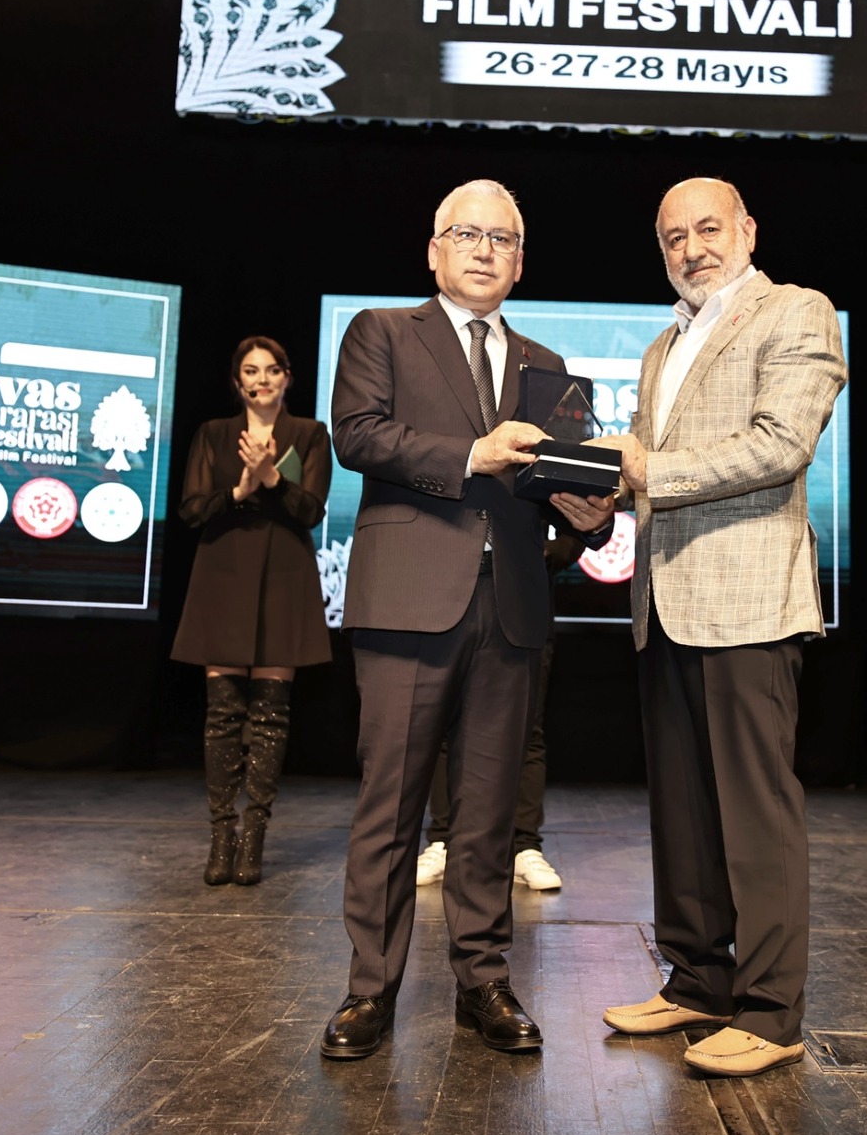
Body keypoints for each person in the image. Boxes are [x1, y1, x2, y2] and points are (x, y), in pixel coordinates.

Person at [320, 178, 614, 1061]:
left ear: (521, 262)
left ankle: (483, 979)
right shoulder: (381, 331)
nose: (486, 250)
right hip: (408, 596)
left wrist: (590, 511)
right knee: (391, 803)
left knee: (488, 810)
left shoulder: (546, 365)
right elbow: (357, 434)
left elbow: (558, 486)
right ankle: (369, 989)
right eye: (468, 234)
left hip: (513, 603)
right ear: (434, 249)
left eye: (503, 239)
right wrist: (472, 454)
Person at [561, 177, 846, 1079]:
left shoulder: (796, 311)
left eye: (708, 228)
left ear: (748, 230)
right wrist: (595, 491)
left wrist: (647, 469)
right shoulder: (662, 344)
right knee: (683, 810)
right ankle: (696, 980)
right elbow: (643, 467)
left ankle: (770, 1011)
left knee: (756, 814)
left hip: (750, 599)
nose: (692, 248)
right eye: (673, 237)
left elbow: (781, 444)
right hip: (667, 600)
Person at [171, 336, 333, 887]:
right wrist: (240, 490)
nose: (261, 380)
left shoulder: (309, 434)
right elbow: (193, 508)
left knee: (269, 715)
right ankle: (222, 835)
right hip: (223, 573)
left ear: (287, 377)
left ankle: (254, 837)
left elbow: (311, 510)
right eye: (250, 371)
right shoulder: (214, 434)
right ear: (237, 381)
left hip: (284, 575)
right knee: (222, 716)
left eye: (271, 370)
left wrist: (272, 480)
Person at [415, 526, 581, 893]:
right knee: (445, 724)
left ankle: (524, 845)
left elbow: (575, 533)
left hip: (524, 601)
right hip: (450, 596)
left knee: (527, 730)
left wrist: (538, 551)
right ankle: (442, 840)